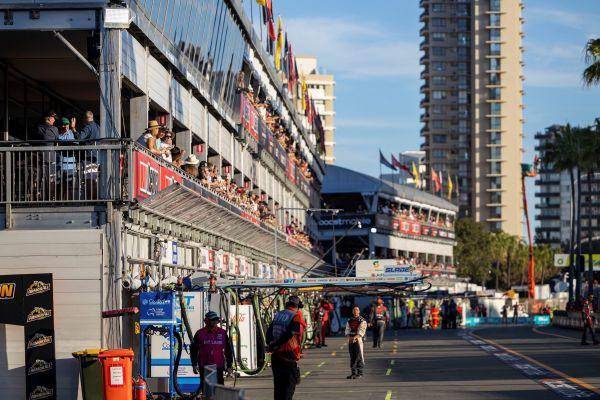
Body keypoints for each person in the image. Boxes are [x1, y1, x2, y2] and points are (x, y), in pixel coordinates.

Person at [266, 295, 305, 400]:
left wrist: (271, 345)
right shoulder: (296, 316)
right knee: (288, 390)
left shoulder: (278, 314)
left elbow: (268, 331)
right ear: (297, 306)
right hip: (288, 357)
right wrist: (277, 344)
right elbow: (291, 333)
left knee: (278, 389)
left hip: (276, 357)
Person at [190, 311, 233, 390]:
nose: (214, 321)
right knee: (207, 391)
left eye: (216, 319)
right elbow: (193, 350)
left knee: (219, 390)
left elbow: (228, 351)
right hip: (205, 366)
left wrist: (229, 366)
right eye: (212, 319)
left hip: (219, 366)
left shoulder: (222, 333)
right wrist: (194, 364)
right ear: (206, 321)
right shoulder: (200, 333)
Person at [345, 306, 367, 379]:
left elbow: (362, 330)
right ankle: (353, 373)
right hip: (351, 340)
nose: (355, 311)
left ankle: (360, 373)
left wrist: (355, 337)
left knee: (359, 356)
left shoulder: (362, 320)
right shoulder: (349, 320)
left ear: (359, 311)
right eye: (354, 310)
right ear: (352, 312)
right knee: (352, 357)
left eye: (357, 310)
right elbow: (347, 329)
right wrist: (349, 337)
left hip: (358, 340)